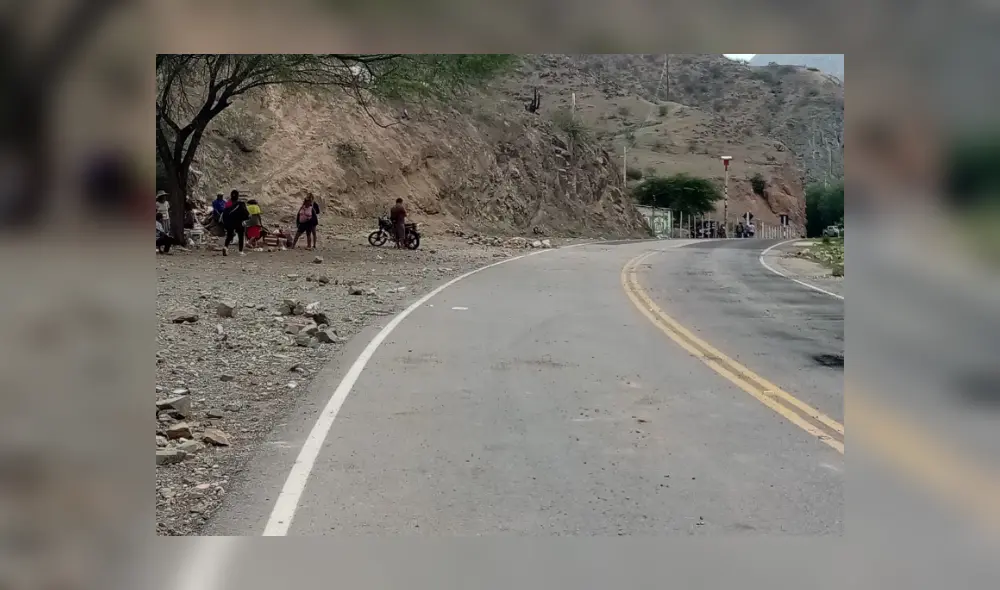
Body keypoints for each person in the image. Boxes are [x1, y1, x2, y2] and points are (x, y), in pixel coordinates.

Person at [221, 190, 250, 256]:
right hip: (238, 222)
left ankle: (225, 247)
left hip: (229, 223)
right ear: (237, 196)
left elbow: (224, 213)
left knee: (229, 235)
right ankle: (240, 251)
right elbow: (245, 213)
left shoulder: (228, 203)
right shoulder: (241, 204)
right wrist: (246, 218)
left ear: (231, 195)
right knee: (240, 236)